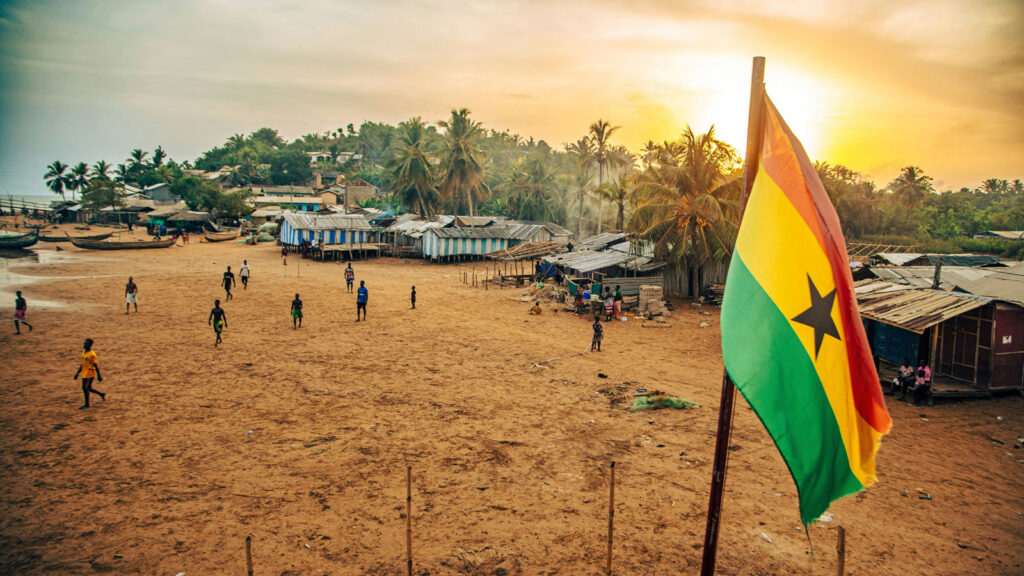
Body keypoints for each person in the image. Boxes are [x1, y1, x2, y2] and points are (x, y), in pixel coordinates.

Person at [73, 338, 105, 409]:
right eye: (84, 344)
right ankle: (101, 394)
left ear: (90, 345)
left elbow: (95, 365)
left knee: (86, 387)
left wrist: (99, 375)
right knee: (86, 388)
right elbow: (82, 364)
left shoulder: (92, 354)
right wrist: (77, 373)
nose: (84, 345)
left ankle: (87, 404)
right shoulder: (84, 353)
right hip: (84, 373)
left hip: (90, 373)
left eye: (86, 344)